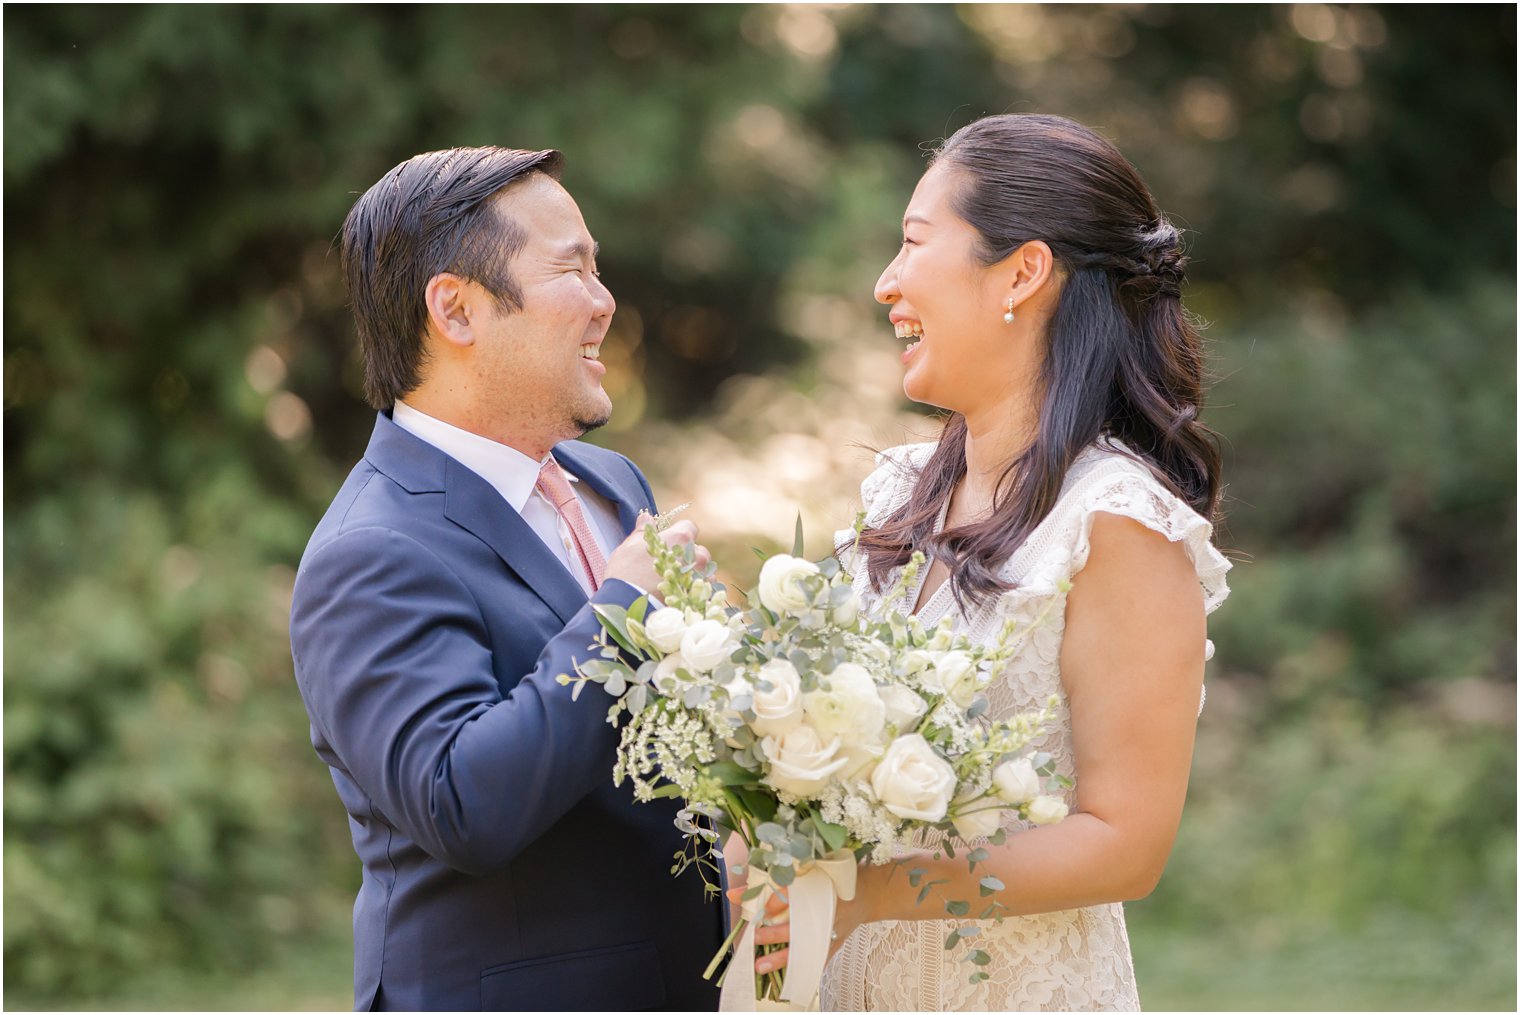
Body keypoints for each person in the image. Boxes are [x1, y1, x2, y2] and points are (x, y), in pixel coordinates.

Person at [288, 146, 724, 1011]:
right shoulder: (370, 550)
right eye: (573, 268)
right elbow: (461, 804)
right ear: (455, 307)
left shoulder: (614, 483)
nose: (604, 301)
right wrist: (622, 614)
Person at [817, 114, 1232, 1011]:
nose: (887, 280)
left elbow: (1126, 841)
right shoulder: (895, 495)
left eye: (914, 242)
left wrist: (864, 892)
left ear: (1022, 272)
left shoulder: (1116, 522)